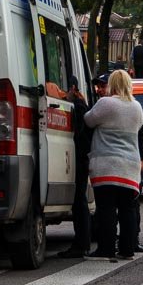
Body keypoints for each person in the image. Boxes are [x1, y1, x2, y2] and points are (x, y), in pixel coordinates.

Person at [84, 69, 143, 260]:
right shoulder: (137, 107)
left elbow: (88, 120)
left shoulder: (105, 103)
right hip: (130, 166)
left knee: (106, 209)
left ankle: (106, 248)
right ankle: (128, 248)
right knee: (128, 209)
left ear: (112, 84)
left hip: (107, 165)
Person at [59, 75, 93, 258]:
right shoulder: (80, 104)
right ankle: (82, 243)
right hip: (81, 157)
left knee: (79, 202)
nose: (62, 95)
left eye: (64, 91)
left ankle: (81, 244)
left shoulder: (79, 107)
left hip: (80, 158)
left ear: (72, 88)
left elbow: (80, 134)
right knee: (79, 202)